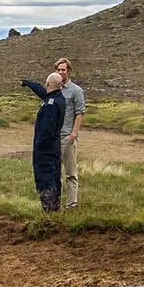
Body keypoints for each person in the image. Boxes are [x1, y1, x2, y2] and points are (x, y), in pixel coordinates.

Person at [21, 72, 68, 212]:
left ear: (48, 84)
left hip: (45, 151)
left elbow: (45, 131)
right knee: (54, 177)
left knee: (45, 179)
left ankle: (50, 211)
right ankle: (55, 209)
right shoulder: (58, 98)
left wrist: (38, 147)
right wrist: (31, 84)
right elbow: (45, 93)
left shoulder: (50, 105)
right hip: (54, 148)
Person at [54, 58, 87, 208]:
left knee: (70, 171)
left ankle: (72, 203)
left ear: (69, 71)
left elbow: (80, 113)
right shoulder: (54, 89)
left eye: (64, 70)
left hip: (67, 135)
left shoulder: (76, 90)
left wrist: (74, 133)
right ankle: (56, 201)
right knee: (55, 170)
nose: (61, 72)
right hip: (54, 136)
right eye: (59, 70)